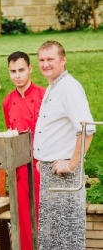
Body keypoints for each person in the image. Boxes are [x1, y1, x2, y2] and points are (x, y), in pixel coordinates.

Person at [34, 41, 96, 250]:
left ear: (63, 60)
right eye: (42, 60)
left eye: (50, 59)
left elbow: (87, 129)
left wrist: (71, 164)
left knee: (66, 238)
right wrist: (42, 158)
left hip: (64, 176)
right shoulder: (54, 86)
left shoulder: (69, 87)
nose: (45, 64)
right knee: (51, 238)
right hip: (51, 170)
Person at [2, 51, 45, 250]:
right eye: (13, 71)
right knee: (24, 219)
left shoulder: (44, 95)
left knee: (43, 216)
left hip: (42, 166)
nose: (17, 75)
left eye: (21, 70)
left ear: (30, 69)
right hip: (20, 170)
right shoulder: (7, 101)